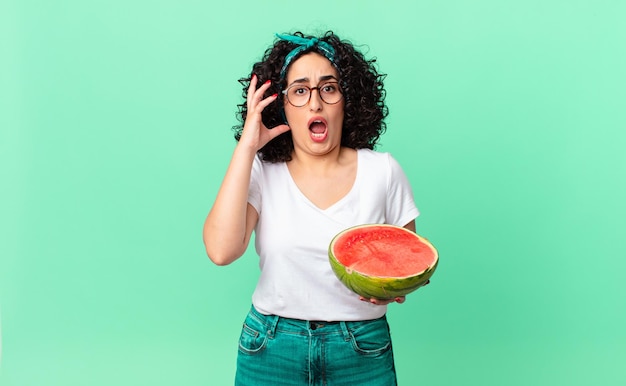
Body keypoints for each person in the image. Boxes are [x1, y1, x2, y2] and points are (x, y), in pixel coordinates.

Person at [203, 31, 424, 385]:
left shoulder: (382, 171)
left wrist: (394, 286)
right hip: (270, 347)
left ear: (347, 100)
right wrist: (246, 148)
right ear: (282, 105)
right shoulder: (262, 171)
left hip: (361, 348)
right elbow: (221, 250)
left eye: (329, 88)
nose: (315, 103)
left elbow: (406, 260)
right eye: (300, 90)